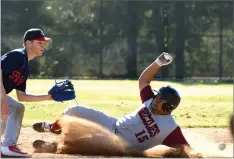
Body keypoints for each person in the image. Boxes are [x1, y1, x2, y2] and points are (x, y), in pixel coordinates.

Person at [32, 52, 190, 152]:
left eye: (161, 100)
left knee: (79, 143)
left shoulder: (170, 128)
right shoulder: (149, 101)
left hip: (120, 144)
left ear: (169, 107)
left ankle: (51, 147)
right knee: (73, 111)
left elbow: (187, 150)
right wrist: (158, 63)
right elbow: (143, 81)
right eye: (157, 97)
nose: (156, 100)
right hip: (112, 124)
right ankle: (52, 127)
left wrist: (213, 151)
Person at [1, 28, 53, 157]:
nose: (43, 46)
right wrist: (2, 96)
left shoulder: (25, 68)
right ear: (28, 43)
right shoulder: (18, 55)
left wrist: (48, 97)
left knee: (9, 113)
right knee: (14, 108)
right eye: (39, 42)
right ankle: (8, 146)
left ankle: (7, 146)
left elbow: (21, 96)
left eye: (43, 43)